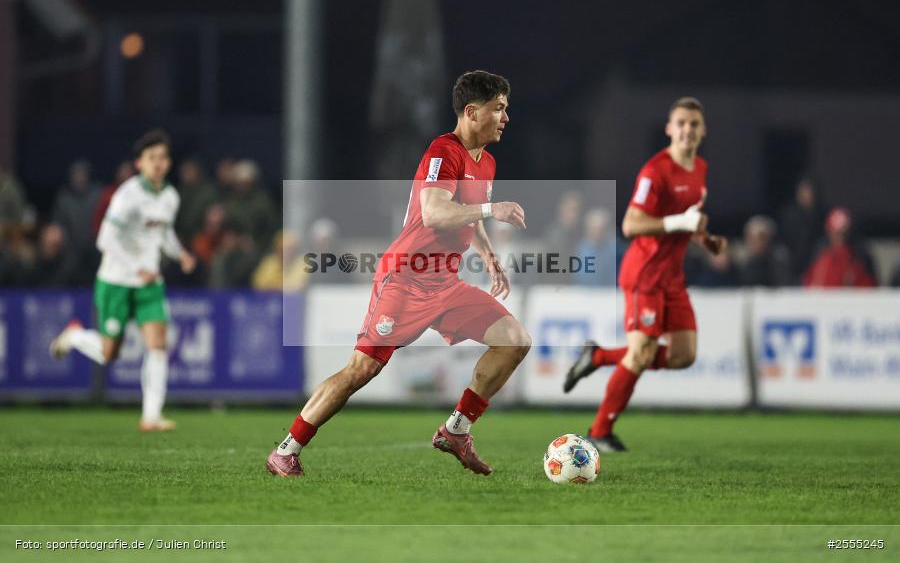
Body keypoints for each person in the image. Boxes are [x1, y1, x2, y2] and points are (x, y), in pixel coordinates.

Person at [266, 70, 531, 477]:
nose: (506, 117)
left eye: (506, 109)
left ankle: (456, 430)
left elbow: (468, 217)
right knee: (363, 369)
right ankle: (287, 448)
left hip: (446, 282)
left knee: (514, 340)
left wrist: (489, 254)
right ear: (472, 111)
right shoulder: (444, 151)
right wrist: (491, 211)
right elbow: (436, 212)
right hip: (406, 278)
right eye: (499, 109)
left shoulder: (487, 162)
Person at [561, 97, 726, 452]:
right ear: (669, 128)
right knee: (640, 354)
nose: (687, 130)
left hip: (672, 278)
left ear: (703, 130)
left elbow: (688, 219)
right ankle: (600, 430)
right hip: (645, 274)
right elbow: (631, 223)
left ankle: (599, 357)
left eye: (694, 124)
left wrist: (706, 239)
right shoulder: (655, 171)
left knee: (684, 355)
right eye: (681, 123)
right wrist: (680, 222)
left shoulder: (700, 170)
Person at [49, 129, 196, 431]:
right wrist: (135, 267)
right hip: (116, 280)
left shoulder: (169, 196)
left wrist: (181, 254)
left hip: (149, 285)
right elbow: (105, 238)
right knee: (109, 353)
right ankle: (75, 336)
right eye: (151, 158)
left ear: (168, 163)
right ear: (140, 163)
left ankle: (151, 416)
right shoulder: (128, 195)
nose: (158, 163)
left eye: (163, 158)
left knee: (158, 344)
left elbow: (164, 233)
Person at [803, 207, 876, 287]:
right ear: (828, 232)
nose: (838, 237)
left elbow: (869, 288)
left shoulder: (859, 257)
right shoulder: (820, 255)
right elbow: (809, 283)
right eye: (834, 233)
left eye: (842, 233)